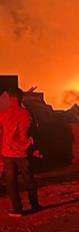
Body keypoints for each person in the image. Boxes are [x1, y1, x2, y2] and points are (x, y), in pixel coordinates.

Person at [0, 88, 40, 217]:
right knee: (29, 180)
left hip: (8, 153)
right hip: (23, 152)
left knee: (11, 182)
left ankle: (17, 209)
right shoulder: (27, 114)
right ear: (21, 99)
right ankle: (35, 205)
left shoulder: (4, 115)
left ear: (12, 99)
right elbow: (34, 133)